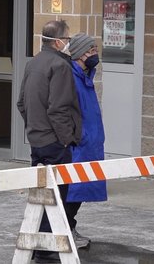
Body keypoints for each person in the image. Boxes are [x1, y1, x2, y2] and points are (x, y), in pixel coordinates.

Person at [17, 20, 82, 263]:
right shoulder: (60, 66)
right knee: (56, 195)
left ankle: (36, 242)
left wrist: (34, 127)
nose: (69, 44)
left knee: (39, 193)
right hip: (55, 142)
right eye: (68, 39)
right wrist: (66, 139)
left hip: (37, 139)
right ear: (57, 42)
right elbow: (58, 108)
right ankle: (45, 245)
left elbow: (22, 103)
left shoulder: (33, 63)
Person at [63, 33, 108, 249]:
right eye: (91, 50)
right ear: (80, 54)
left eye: (95, 49)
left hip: (91, 143)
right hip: (80, 144)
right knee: (74, 191)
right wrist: (78, 137)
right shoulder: (71, 78)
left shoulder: (86, 76)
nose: (94, 54)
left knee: (80, 191)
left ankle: (69, 226)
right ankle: (66, 229)